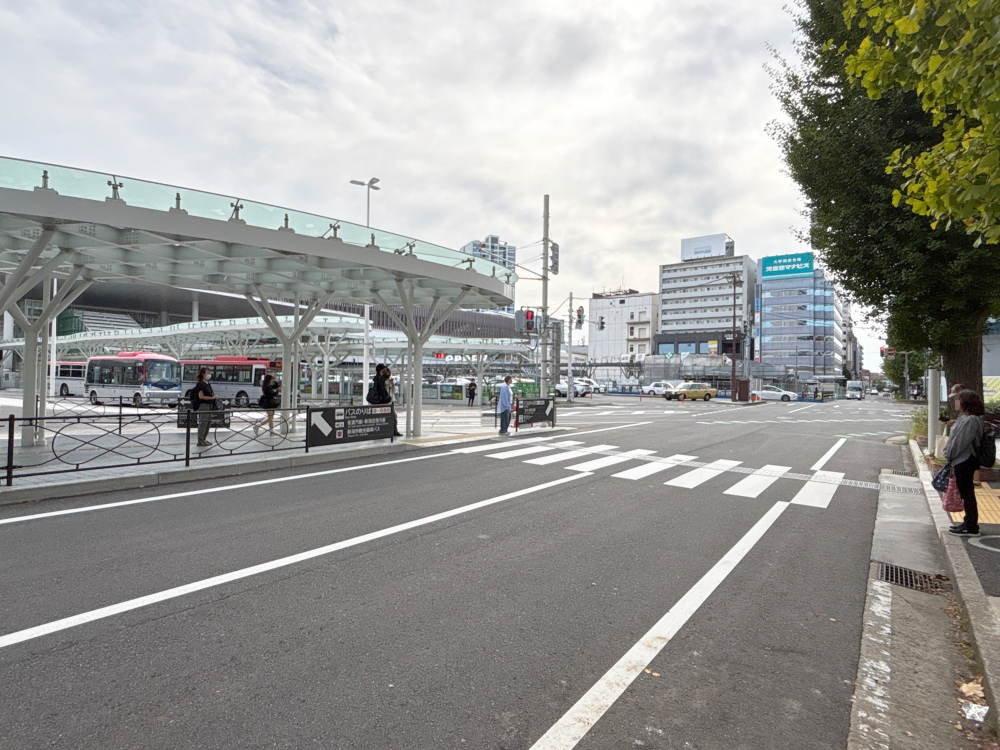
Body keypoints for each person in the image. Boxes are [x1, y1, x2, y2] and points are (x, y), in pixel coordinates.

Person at [945, 389, 986, 536]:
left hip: (965, 460)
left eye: (958, 399)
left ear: (965, 403)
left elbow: (960, 442)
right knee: (966, 493)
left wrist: (949, 454)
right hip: (961, 459)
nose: (956, 402)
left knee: (967, 494)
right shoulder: (965, 417)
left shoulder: (971, 420)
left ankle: (971, 526)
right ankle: (968, 523)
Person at [191, 366, 218, 447]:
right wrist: (212, 397)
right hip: (203, 405)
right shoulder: (200, 384)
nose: (209, 375)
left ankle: (204, 439)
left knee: (208, 422)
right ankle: (200, 440)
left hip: (209, 405)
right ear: (203, 374)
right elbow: (201, 396)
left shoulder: (207, 384)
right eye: (208, 373)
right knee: (203, 422)